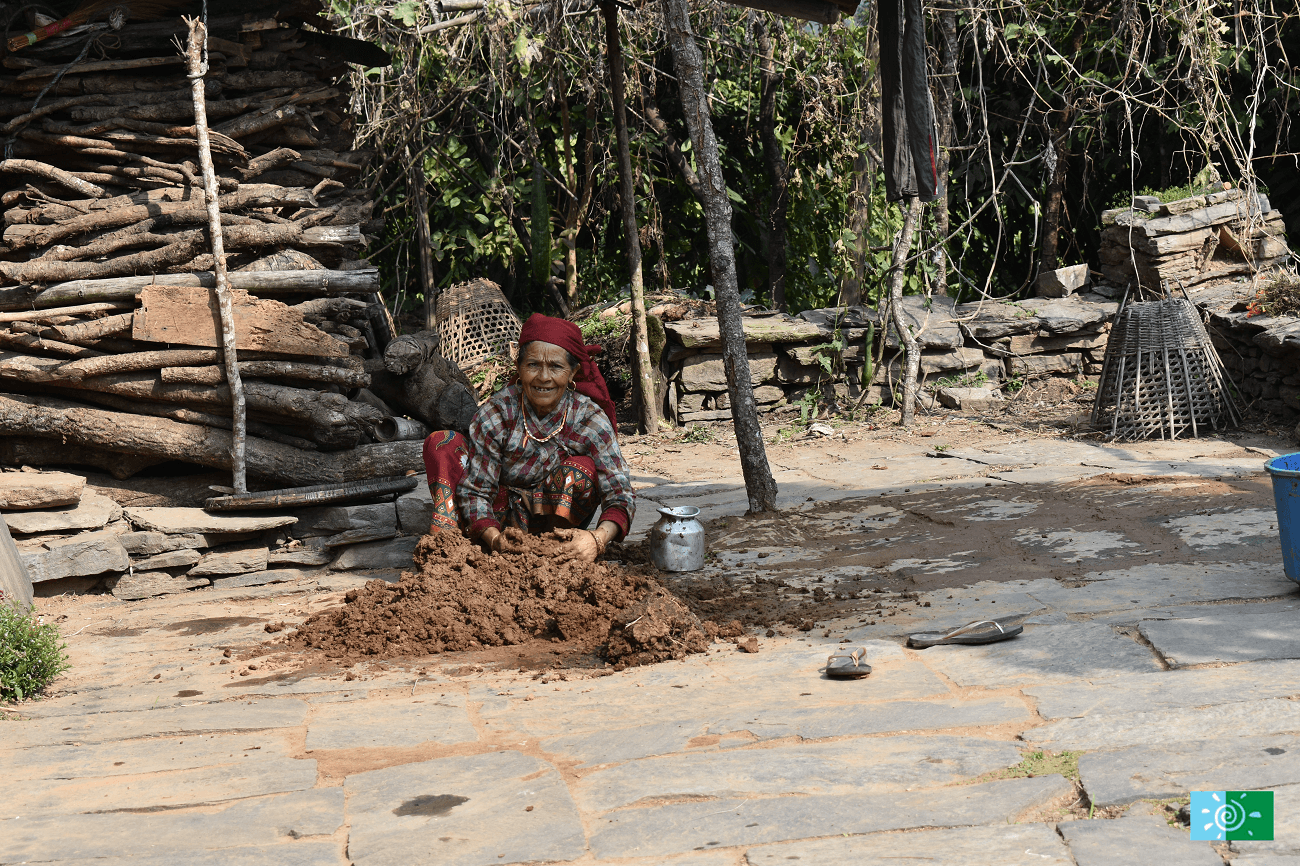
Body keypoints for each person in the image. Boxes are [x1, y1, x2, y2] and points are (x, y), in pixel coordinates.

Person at [421, 313, 634, 562]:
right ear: (519, 368)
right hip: (498, 519)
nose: (544, 377)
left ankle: (561, 547)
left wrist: (597, 539)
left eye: (556, 367)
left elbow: (620, 492)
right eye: (533, 365)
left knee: (582, 471)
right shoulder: (497, 413)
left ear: (573, 372)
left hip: (555, 518)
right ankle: (449, 544)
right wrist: (494, 538)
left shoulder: (589, 419)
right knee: (443, 443)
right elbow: (477, 490)